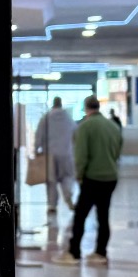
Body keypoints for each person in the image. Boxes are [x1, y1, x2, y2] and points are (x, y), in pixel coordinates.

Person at [54, 96, 122, 265]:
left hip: (93, 178)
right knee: (103, 215)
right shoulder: (113, 126)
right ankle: (101, 252)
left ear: (86, 108)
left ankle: (74, 252)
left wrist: (79, 175)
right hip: (110, 177)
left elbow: (81, 155)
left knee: (80, 215)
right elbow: (118, 149)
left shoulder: (85, 127)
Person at [34, 96, 77, 243]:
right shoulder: (68, 118)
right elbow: (75, 134)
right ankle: (68, 194)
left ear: (53, 105)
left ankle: (52, 205)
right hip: (67, 153)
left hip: (50, 153)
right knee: (67, 177)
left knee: (51, 181)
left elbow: (39, 134)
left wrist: (36, 149)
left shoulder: (46, 118)